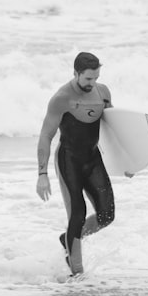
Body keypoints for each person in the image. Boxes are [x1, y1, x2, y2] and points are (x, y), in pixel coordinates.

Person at [36, 52, 115, 275]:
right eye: (88, 79)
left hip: (92, 158)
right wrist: (42, 174)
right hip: (69, 159)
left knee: (106, 215)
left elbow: (113, 129)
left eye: (96, 78)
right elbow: (45, 136)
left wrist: (125, 160)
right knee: (77, 215)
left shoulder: (103, 93)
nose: (93, 83)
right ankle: (77, 274)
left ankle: (69, 239)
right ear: (76, 73)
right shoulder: (62, 98)